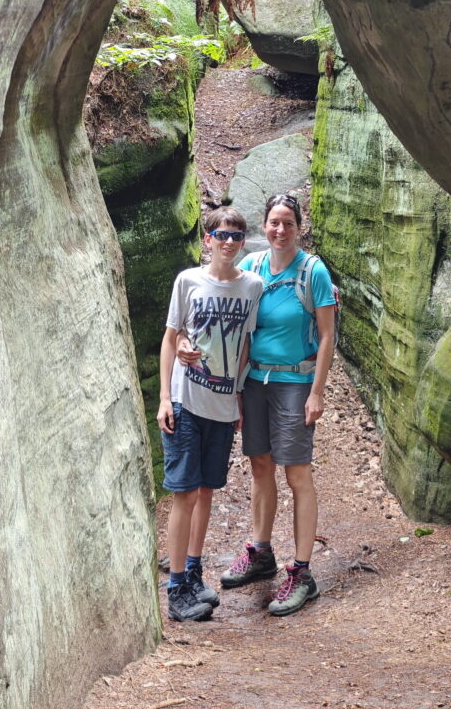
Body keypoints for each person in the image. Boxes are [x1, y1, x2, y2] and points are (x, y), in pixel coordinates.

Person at [182, 193, 336, 616]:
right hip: (254, 381)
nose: (280, 230)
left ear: (299, 226)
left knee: (297, 474)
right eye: (273, 222)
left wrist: (317, 391)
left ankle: (302, 571)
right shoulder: (251, 268)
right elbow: (219, 308)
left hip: (294, 382)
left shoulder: (313, 272)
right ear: (263, 227)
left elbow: (326, 335)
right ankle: (261, 550)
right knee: (261, 465)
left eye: (288, 222)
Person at [157, 206, 263, 622]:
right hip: (186, 400)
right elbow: (170, 338)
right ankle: (176, 586)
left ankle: (195, 571)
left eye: (237, 236)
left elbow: (245, 347)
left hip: (221, 405)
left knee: (206, 492)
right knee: (183, 493)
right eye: (221, 235)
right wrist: (165, 398)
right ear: (208, 239)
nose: (229, 243)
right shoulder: (188, 280)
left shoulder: (252, 287)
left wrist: (237, 395)